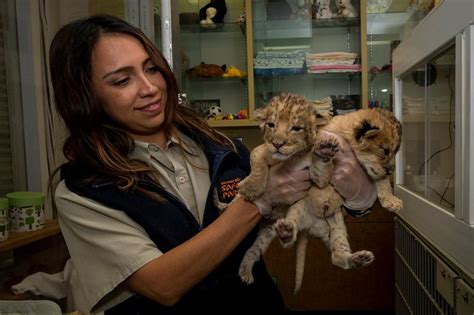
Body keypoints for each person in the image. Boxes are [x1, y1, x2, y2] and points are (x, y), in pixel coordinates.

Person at [50, 14, 375, 314]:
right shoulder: (84, 192)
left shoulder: (218, 146)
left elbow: (301, 197)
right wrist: (258, 200)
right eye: (122, 81)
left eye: (151, 69)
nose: (150, 88)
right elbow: (163, 285)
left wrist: (356, 192)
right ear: (86, 97)